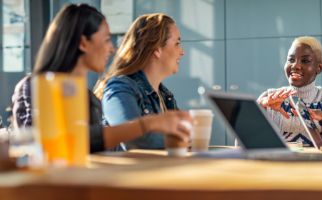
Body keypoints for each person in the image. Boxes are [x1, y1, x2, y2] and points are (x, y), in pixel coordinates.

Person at [11, 4, 191, 153]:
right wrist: (148, 124)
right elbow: (51, 147)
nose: (112, 49)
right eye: (106, 39)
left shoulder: (88, 98)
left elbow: (91, 147)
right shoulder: (34, 87)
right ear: (83, 43)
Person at [94, 13, 185, 150]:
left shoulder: (165, 96)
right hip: (127, 172)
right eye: (177, 43)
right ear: (157, 49)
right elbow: (132, 141)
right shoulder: (121, 88)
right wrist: (178, 141)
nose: (182, 52)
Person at [257, 36, 322, 147]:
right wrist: (260, 107)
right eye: (291, 60)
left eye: (305, 61)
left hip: (321, 164)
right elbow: (241, 146)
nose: (295, 65)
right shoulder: (269, 98)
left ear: (319, 67)